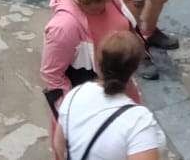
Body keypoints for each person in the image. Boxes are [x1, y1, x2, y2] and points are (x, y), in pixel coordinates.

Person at [41, 0, 146, 115]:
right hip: (90, 105)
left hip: (120, 87)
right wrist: (72, 116)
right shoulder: (64, 27)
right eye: (100, 0)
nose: (107, 1)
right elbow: (52, 76)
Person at [51, 31, 165, 160]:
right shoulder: (139, 121)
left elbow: (59, 145)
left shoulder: (74, 95)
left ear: (98, 62)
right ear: (134, 68)